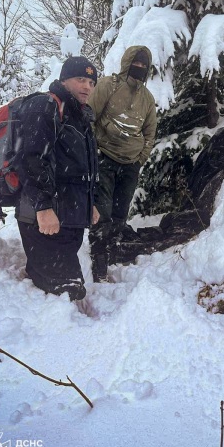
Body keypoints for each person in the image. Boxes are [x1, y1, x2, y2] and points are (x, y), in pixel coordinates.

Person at [16, 56, 100, 301]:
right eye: (80, 79)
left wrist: (90, 203)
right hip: (43, 219)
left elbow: (81, 169)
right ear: (64, 80)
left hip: (68, 218)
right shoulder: (46, 106)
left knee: (70, 287)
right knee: (69, 292)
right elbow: (31, 159)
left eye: (92, 82)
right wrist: (42, 207)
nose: (87, 87)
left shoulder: (79, 117)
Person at [88, 45, 157, 282]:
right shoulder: (108, 85)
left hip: (130, 165)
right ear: (127, 63)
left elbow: (150, 132)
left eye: (144, 65)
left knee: (120, 213)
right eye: (136, 63)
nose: (139, 68)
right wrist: (93, 152)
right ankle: (97, 260)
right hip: (104, 158)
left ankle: (111, 251)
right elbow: (90, 117)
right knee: (102, 213)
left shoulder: (147, 98)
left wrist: (140, 158)